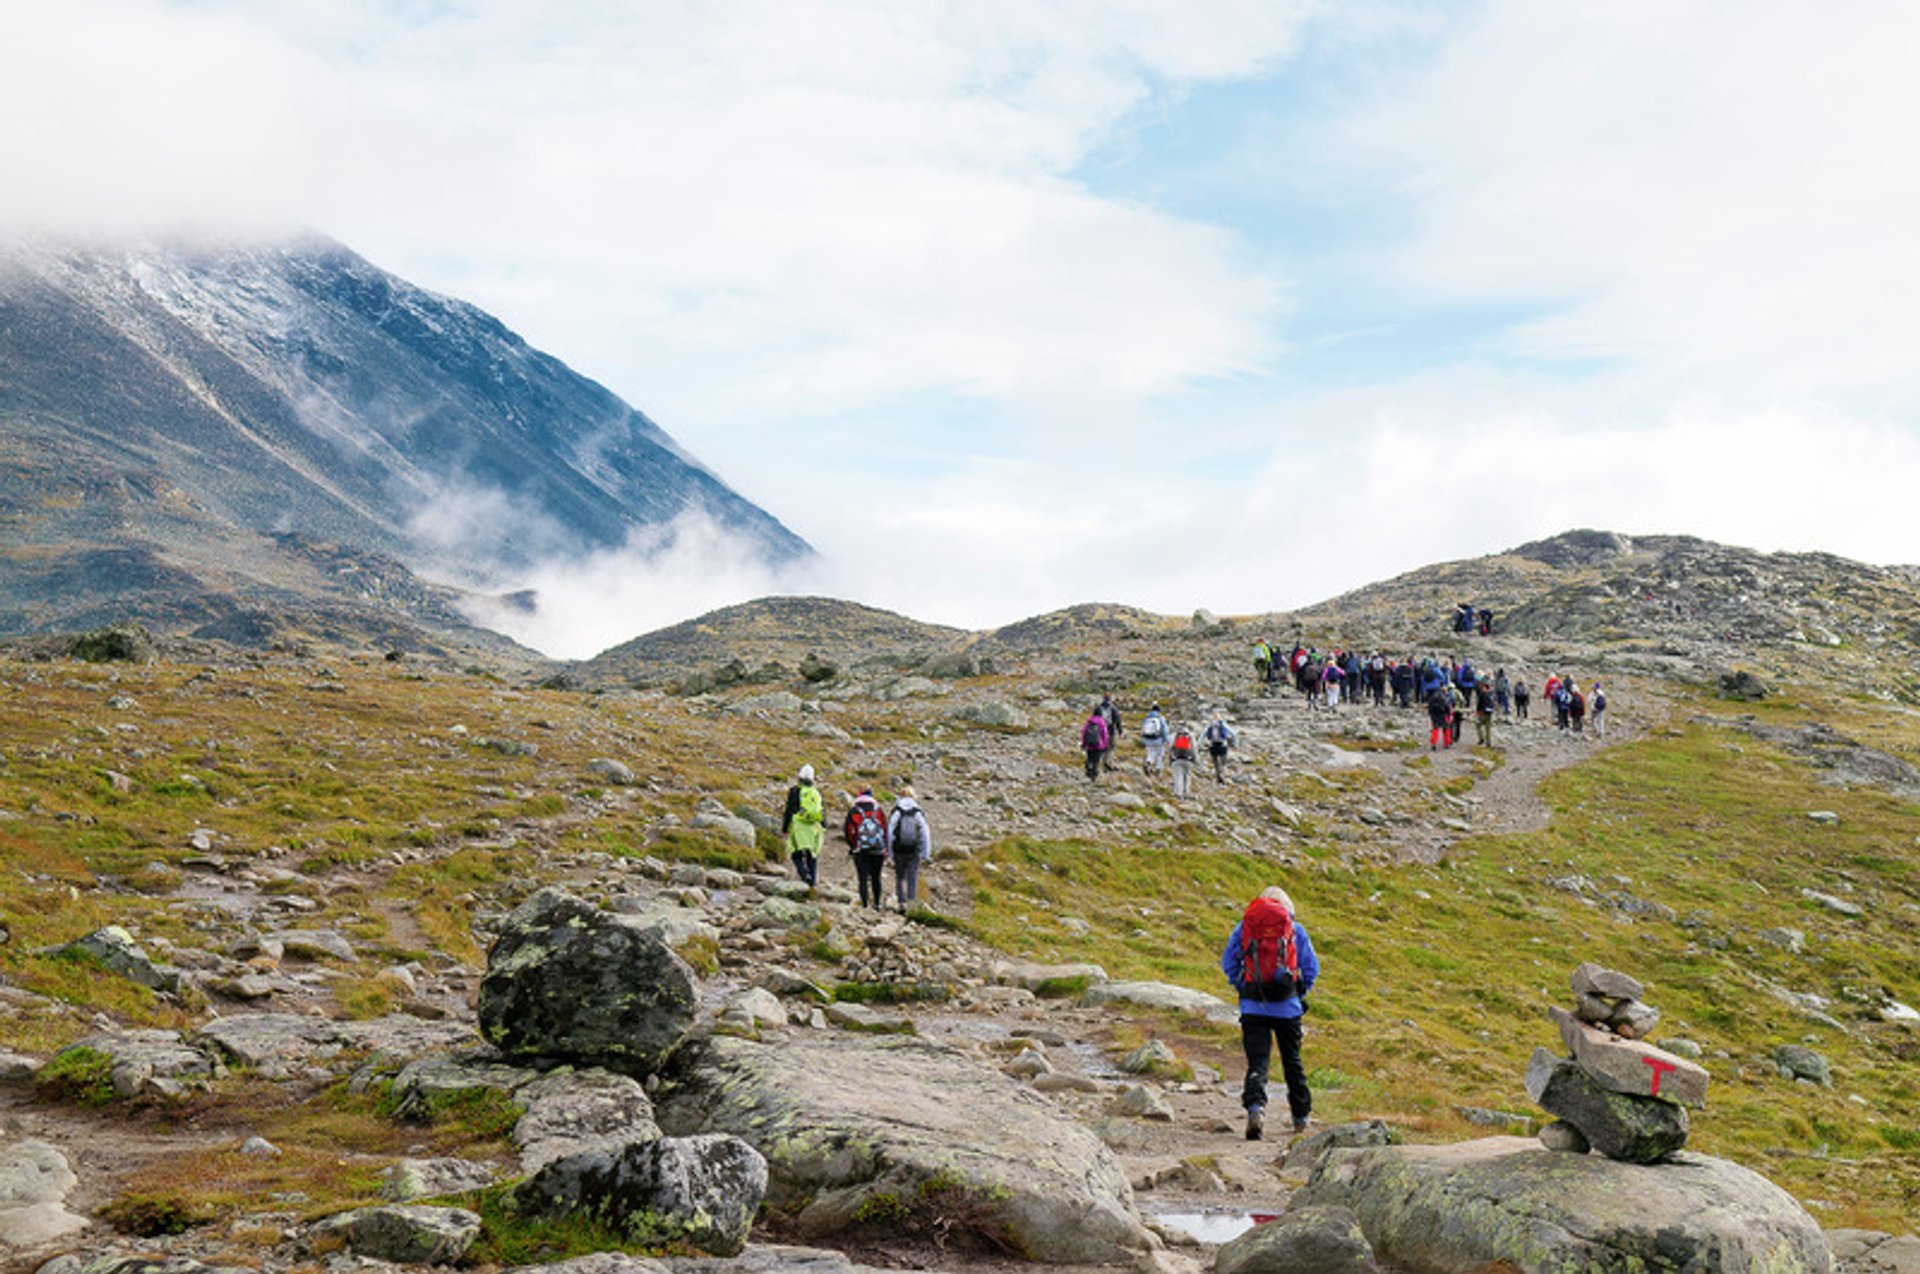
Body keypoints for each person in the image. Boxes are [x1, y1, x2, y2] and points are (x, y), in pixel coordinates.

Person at [1222, 885, 1318, 1140]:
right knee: (1292, 1062)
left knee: (1258, 1062)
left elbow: (1228, 963)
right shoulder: (1296, 931)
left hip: (1253, 1007)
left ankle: (1256, 1109)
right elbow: (1311, 969)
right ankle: (1300, 1117)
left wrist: (1243, 986)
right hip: (1288, 1008)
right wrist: (1297, 991)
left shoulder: (1245, 928)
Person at [888, 786, 933, 912]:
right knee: (912, 878)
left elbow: (890, 831)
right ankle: (912, 905)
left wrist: (890, 852)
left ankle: (901, 903)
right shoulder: (917, 811)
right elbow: (925, 833)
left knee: (900, 876)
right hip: (914, 850)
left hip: (899, 849)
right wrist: (926, 853)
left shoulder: (897, 810)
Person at [844, 787, 889, 910]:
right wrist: (885, 847)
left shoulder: (854, 810)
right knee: (876, 877)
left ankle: (864, 904)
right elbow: (885, 829)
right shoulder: (878, 810)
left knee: (862, 877)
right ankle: (877, 903)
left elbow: (848, 831)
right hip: (878, 849)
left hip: (861, 849)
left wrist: (853, 846)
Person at [782, 764, 825, 887]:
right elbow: (822, 810)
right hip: (814, 826)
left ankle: (804, 873)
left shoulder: (794, 791)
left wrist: (785, 828)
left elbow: (789, 810)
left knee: (796, 853)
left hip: (798, 826)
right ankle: (812, 882)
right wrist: (823, 825)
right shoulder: (816, 792)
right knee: (812, 854)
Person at [1080, 705, 1110, 782]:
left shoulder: (1089, 720)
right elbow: (1105, 734)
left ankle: (1088, 769)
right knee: (1096, 761)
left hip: (1089, 745)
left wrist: (1084, 743)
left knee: (1090, 758)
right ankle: (1093, 776)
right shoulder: (1101, 721)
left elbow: (1084, 732)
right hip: (1099, 745)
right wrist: (1105, 744)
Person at [1139, 703, 1171, 775]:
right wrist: (1167, 740)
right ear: (1159, 710)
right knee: (1160, 755)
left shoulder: (1147, 718)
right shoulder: (1160, 718)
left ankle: (1148, 762)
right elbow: (1164, 730)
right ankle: (1158, 769)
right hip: (1158, 740)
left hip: (1148, 740)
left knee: (1150, 754)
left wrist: (1143, 740)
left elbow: (1143, 730)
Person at [1204, 715, 1237, 783]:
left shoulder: (1210, 725)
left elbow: (1203, 735)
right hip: (1222, 746)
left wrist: (1198, 745)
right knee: (1223, 763)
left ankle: (1218, 776)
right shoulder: (1223, 725)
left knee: (1215, 763)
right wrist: (1235, 744)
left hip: (1212, 746)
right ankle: (1222, 775)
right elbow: (1234, 734)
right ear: (1220, 719)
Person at [1169, 725, 1197, 799]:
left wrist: (1171, 758)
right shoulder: (1190, 735)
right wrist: (1195, 759)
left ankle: (1178, 793)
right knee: (1187, 776)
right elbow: (1194, 748)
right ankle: (1186, 792)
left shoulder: (1174, 735)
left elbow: (1170, 747)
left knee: (1178, 776)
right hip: (1188, 759)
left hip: (1176, 759)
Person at [1098, 694, 1123, 773]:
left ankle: (1104, 764)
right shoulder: (1113, 708)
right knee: (1111, 747)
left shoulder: (1098, 708)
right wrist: (1120, 731)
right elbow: (1117, 720)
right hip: (1110, 730)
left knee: (1103, 748)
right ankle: (1109, 764)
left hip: (1101, 730)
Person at [1426, 684, 1453, 750]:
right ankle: (1446, 744)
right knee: (1446, 729)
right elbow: (1447, 707)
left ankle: (1433, 744)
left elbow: (1429, 706)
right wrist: (1449, 714)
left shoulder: (1433, 696)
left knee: (1435, 729)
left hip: (1434, 715)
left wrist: (1430, 714)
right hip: (1443, 715)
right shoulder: (1444, 697)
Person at [1474, 678, 1497, 747]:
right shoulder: (1491, 694)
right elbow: (1494, 703)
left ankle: (1481, 739)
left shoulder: (1482, 694)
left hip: (1483, 712)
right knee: (1488, 728)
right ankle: (1488, 742)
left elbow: (1479, 704)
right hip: (1490, 712)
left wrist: (1477, 711)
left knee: (1478, 725)